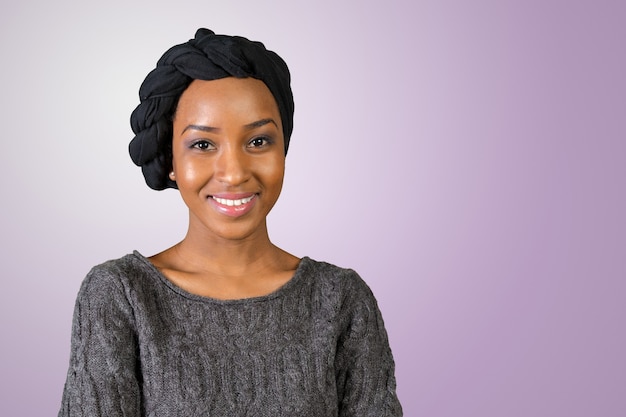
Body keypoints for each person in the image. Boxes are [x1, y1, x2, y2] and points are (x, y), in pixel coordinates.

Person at [58, 28, 402, 416]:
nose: (234, 172)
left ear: (283, 150)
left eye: (258, 142)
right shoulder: (122, 296)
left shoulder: (340, 300)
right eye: (203, 144)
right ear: (171, 160)